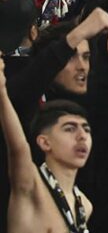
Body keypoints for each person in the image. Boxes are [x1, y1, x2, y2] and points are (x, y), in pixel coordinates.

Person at [0, 57, 93, 232]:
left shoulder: (84, 204)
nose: (82, 136)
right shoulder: (30, 184)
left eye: (86, 129)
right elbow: (18, 148)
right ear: (44, 142)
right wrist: (2, 92)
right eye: (69, 129)